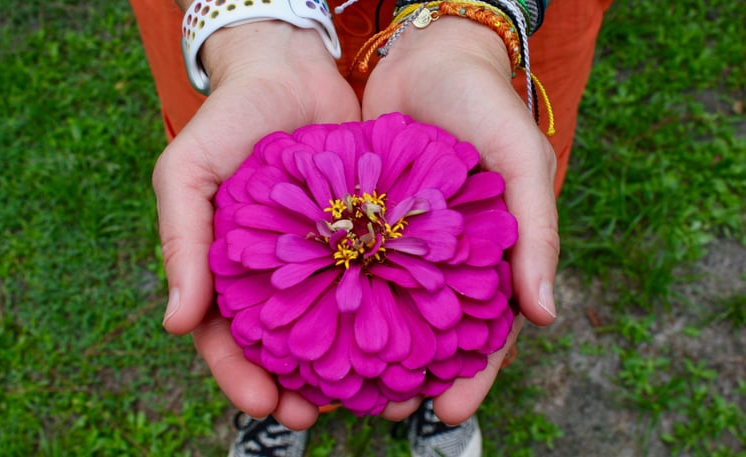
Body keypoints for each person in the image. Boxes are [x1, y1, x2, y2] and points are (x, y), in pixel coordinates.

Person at [129, 0, 611, 455]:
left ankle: (432, 383)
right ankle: (286, 377)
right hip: (253, 50)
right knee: (236, 177)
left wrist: (468, 28)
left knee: (507, 204)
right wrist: (248, 21)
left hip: (477, 49)